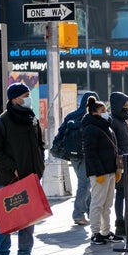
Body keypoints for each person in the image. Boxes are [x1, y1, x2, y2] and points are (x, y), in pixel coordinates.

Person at [0, 82, 48, 255]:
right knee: (7, 219)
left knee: (29, 219)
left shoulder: (31, 118)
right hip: (10, 178)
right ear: (14, 99)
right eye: (25, 95)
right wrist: (12, 167)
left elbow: (39, 144)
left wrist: (39, 167)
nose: (28, 98)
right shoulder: (1, 122)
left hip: (31, 176)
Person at [52, 91, 99, 226]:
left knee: (84, 184)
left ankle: (91, 213)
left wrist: (56, 147)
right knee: (85, 184)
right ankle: (78, 214)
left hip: (73, 155)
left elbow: (60, 133)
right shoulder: (92, 116)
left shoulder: (72, 115)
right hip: (86, 154)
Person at [81, 96, 123, 245]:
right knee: (98, 203)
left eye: (106, 110)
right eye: (102, 110)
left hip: (110, 170)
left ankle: (106, 231)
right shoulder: (90, 128)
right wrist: (99, 172)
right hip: (100, 173)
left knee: (108, 203)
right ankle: (95, 232)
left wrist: (116, 170)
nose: (106, 113)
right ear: (94, 113)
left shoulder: (106, 126)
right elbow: (90, 153)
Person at [109, 92, 128, 237]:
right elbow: (113, 143)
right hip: (124, 162)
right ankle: (121, 224)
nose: (126, 109)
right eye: (124, 106)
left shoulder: (125, 121)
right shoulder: (114, 121)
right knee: (122, 193)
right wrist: (123, 154)